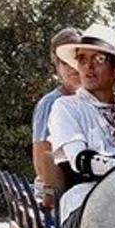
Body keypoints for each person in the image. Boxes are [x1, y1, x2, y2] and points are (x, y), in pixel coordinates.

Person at [47, 23, 115, 222]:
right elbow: (80, 160)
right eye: (82, 59)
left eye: (99, 59)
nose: (88, 66)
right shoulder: (67, 108)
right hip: (85, 202)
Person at [31, 27, 83, 209]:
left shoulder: (94, 101)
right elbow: (41, 163)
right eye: (65, 63)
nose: (72, 68)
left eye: (77, 61)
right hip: (57, 193)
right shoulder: (51, 103)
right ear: (57, 66)